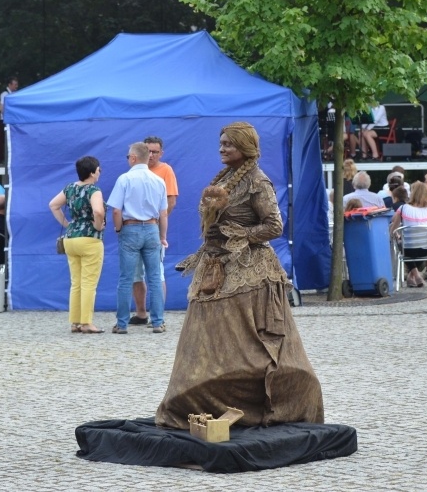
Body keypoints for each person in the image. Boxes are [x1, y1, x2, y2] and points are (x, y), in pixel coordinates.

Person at [156, 121, 323, 429]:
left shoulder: (258, 181)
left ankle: (257, 400)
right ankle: (197, 399)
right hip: (214, 266)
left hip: (248, 272)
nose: (221, 148)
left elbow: (275, 226)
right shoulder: (225, 178)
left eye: (228, 144)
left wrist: (240, 234)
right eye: (221, 143)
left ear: (245, 147)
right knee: (204, 339)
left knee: (247, 342)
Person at [107, 142, 168, 334]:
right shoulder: (158, 181)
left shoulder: (124, 179)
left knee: (126, 278)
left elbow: (116, 210)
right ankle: (158, 322)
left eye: (128, 156)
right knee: (155, 277)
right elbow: (163, 213)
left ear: (133, 158)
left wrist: (119, 229)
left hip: (130, 228)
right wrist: (162, 236)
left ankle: (122, 324)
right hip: (152, 228)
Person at [49, 157, 106, 334]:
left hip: (71, 239)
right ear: (92, 173)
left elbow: (53, 205)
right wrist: (98, 225)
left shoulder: (70, 188)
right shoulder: (94, 190)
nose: (100, 172)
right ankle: (86, 322)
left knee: (76, 283)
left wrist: (67, 224)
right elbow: (98, 211)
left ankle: (75, 322)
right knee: (89, 283)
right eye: (99, 169)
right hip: (90, 239)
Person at [131, 136, 178, 326]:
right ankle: (141, 313)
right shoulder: (135, 171)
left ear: (161, 153)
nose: (151, 155)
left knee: (156, 272)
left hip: (154, 227)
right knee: (136, 272)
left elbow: (171, 201)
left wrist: (158, 222)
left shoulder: (165, 170)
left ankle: (157, 315)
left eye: (155, 152)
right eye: (148, 151)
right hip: (135, 227)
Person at [390, 181, 427, 287]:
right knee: (417, 246)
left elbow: (393, 229)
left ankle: (415, 275)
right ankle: (414, 276)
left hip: (408, 249)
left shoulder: (403, 208)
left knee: (402, 244)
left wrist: (396, 235)